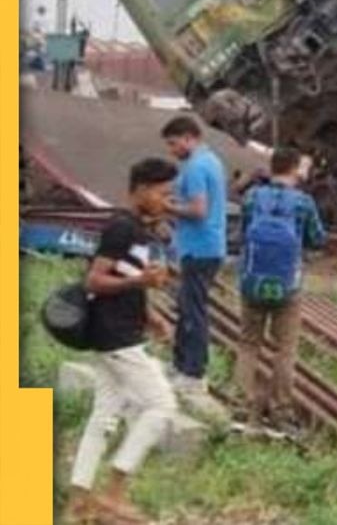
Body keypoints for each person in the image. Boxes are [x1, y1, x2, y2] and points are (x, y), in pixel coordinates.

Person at [67, 158, 178, 524]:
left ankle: (79, 500)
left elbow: (128, 277)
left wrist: (151, 315)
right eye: (164, 193)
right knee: (162, 405)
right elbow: (94, 281)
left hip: (117, 332)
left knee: (103, 416)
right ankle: (114, 491)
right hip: (116, 337)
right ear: (143, 189)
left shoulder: (137, 231)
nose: (168, 201)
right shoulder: (121, 228)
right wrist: (141, 284)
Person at [234, 147, 327, 432]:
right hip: (288, 285)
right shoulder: (303, 203)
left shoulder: (252, 196)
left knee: (249, 344)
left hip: (252, 281)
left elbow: (243, 234)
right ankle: (280, 411)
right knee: (284, 350)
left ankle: (239, 406)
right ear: (295, 168)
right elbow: (318, 238)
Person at [161, 115, 227, 400]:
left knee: (193, 312)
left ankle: (193, 372)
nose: (172, 151)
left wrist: (167, 207)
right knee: (186, 306)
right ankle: (181, 365)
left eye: (174, 144)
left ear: (189, 137)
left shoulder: (197, 166)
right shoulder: (211, 160)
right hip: (204, 247)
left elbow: (199, 210)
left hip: (199, 248)